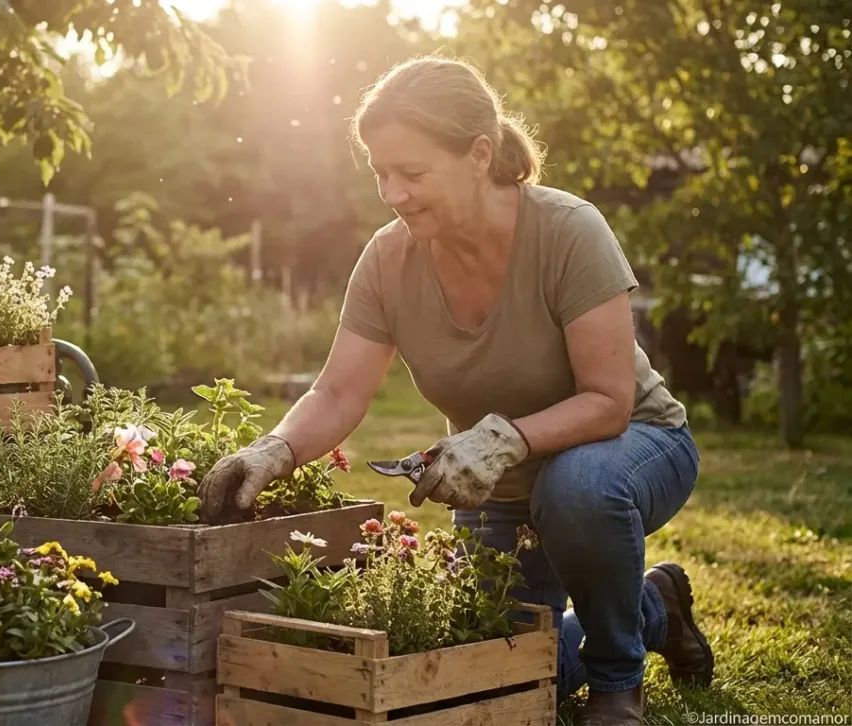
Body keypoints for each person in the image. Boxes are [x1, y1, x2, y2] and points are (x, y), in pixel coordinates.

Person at [196, 55, 712, 724]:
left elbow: (608, 401)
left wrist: (504, 440)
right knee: (490, 679)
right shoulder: (389, 258)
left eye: (412, 173)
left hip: (632, 448)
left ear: (478, 154)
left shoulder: (567, 230)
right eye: (381, 173)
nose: (393, 193)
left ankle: (618, 684)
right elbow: (338, 394)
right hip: (493, 481)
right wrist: (273, 450)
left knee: (574, 487)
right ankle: (655, 608)